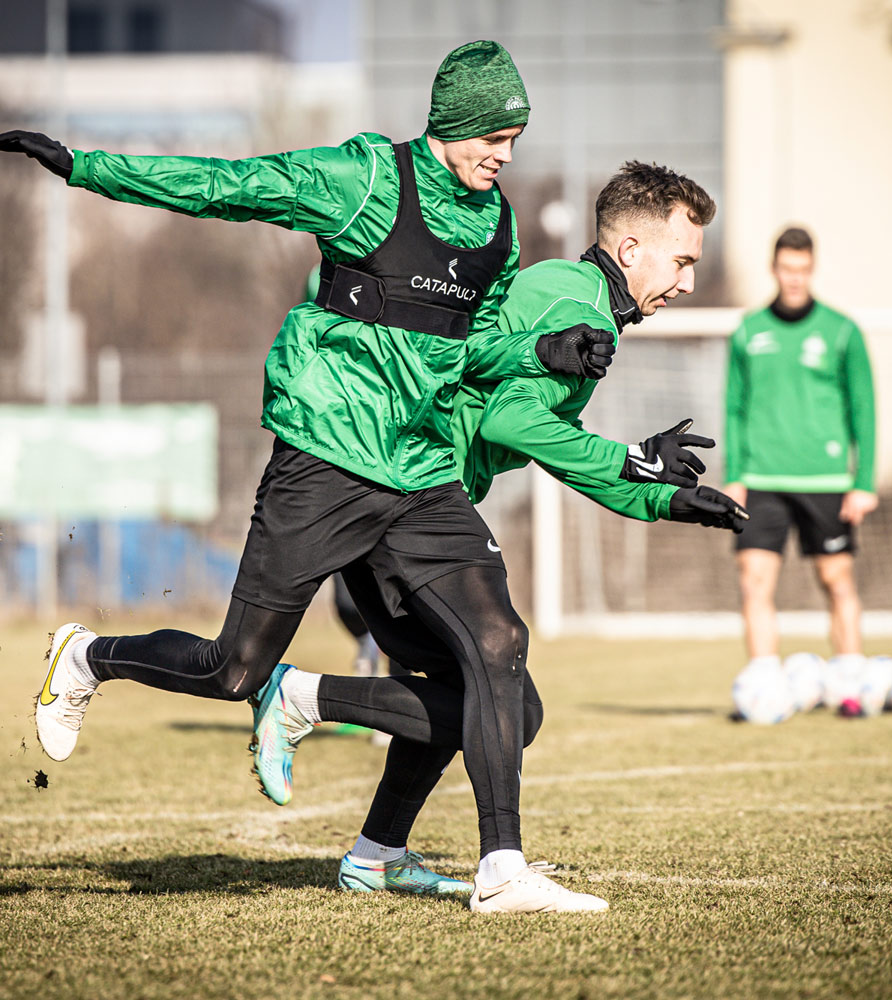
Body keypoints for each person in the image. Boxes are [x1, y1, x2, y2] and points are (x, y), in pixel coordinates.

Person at [0, 41, 614, 914]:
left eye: (514, 138)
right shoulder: (361, 180)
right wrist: (86, 167)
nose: (505, 155)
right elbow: (225, 186)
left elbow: (467, 348)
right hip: (323, 459)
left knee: (499, 650)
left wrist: (541, 349)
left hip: (421, 472)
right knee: (233, 671)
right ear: (455, 124)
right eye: (495, 137)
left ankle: (502, 868)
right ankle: (90, 656)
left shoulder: (498, 228)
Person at [252, 161, 747, 912]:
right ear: (630, 249)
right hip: (402, 497)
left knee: (490, 697)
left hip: (412, 497)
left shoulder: (578, 300)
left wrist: (663, 501)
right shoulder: (572, 301)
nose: (685, 281)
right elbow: (512, 422)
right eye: (681, 260)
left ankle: (375, 855)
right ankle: (309, 705)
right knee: (499, 676)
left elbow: (547, 432)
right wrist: (637, 461)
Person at [722, 226, 877, 669]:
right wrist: (734, 476)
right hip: (760, 479)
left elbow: (864, 410)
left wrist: (863, 481)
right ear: (774, 268)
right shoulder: (748, 331)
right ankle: (763, 683)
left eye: (803, 270)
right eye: (787, 269)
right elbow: (733, 408)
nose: (794, 278)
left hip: (825, 478)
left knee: (837, 579)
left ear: (812, 269)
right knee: (754, 581)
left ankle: (851, 680)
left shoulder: (842, 331)